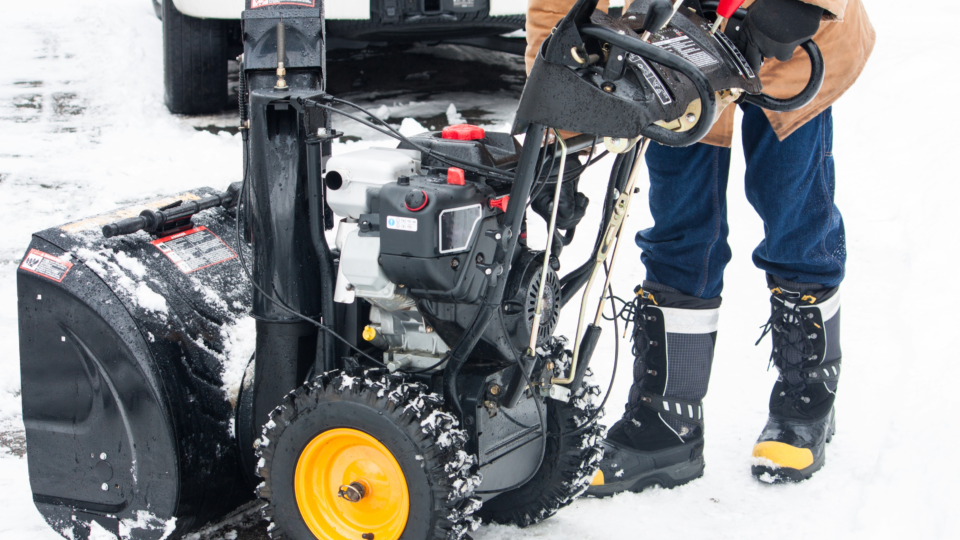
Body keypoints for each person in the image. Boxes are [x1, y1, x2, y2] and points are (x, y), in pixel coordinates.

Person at [524, 0, 874, 492]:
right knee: (680, 226)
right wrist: (556, 114)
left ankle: (807, 398)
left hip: (792, 43)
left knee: (793, 214)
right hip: (675, 59)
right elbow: (557, 13)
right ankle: (668, 420)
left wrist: (797, 9)